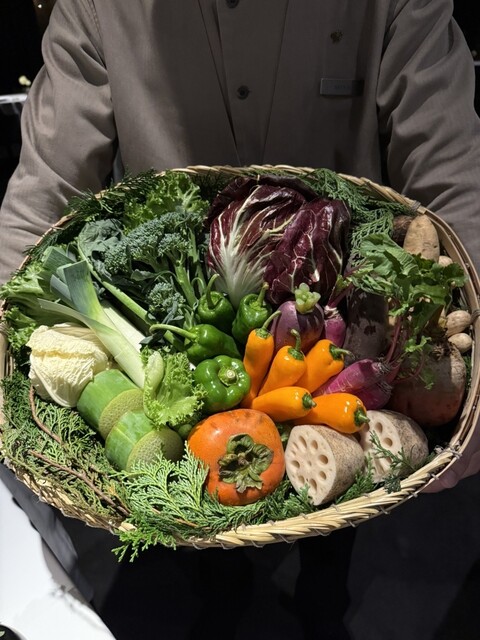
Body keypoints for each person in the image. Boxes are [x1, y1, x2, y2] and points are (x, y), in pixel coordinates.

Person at [1, 1, 479, 638]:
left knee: (338, 494)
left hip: (341, 320)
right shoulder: (97, 7)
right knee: (204, 528)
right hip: (188, 317)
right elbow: (42, 192)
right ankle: (221, 596)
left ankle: (323, 603)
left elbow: (454, 173)